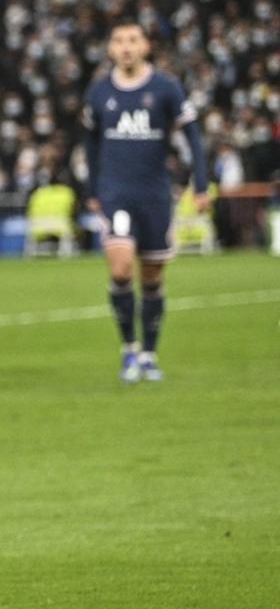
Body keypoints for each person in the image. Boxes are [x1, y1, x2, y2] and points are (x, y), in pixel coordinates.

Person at [82, 20, 208, 383]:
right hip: (115, 192)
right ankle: (128, 349)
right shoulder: (99, 91)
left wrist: (201, 184)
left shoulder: (166, 87)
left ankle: (150, 354)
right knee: (121, 268)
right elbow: (90, 142)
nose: (125, 47)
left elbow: (194, 136)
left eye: (133, 40)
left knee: (152, 277)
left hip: (153, 194)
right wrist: (93, 190)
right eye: (118, 40)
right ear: (109, 48)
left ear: (146, 46)